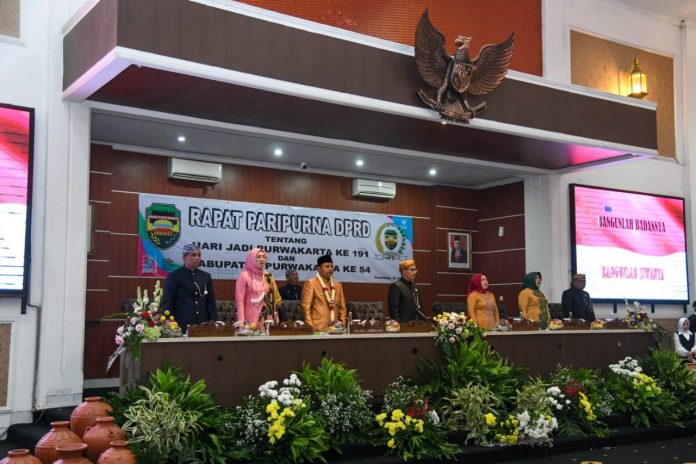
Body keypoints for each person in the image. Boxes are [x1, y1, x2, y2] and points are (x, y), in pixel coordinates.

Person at [162, 243, 218, 333]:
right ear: (184, 257)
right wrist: (168, 320)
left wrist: (214, 321)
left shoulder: (205, 276)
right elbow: (167, 300)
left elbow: (210, 302)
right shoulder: (175, 276)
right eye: (193, 255)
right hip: (181, 324)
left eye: (199, 255)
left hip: (203, 324)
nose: (197, 258)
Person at [235, 248, 282, 326]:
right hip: (250, 318)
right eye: (258, 257)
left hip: (267, 317)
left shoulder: (268, 276)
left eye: (264, 257)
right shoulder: (244, 275)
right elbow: (240, 300)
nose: (262, 259)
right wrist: (241, 321)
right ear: (251, 258)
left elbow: (273, 299)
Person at [301, 254, 347, 332]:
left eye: (331, 266)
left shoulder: (337, 285)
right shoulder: (311, 283)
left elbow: (342, 308)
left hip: (336, 329)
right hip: (318, 329)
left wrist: (342, 325)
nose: (330, 269)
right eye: (326, 266)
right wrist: (311, 327)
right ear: (319, 268)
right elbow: (306, 307)